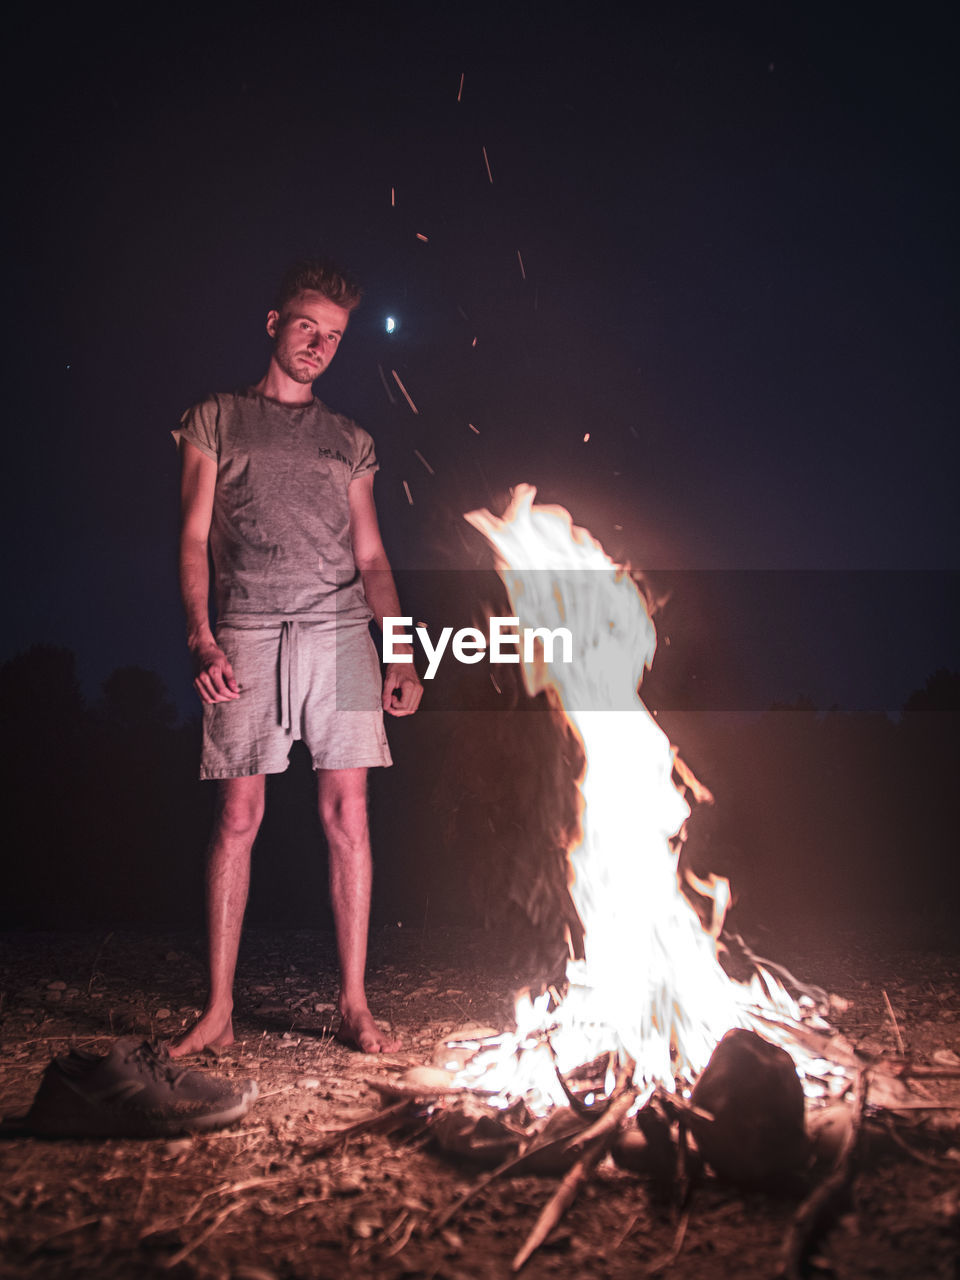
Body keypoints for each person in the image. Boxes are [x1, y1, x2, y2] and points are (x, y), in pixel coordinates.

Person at [171, 259, 422, 1058]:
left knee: (348, 817)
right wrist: (201, 635)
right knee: (238, 817)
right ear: (275, 323)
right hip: (245, 630)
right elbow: (192, 536)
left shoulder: (351, 440)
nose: (319, 345)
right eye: (307, 327)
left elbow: (373, 554)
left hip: (344, 633)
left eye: (335, 337)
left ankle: (353, 1004)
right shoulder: (215, 417)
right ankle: (217, 1010)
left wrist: (400, 651)